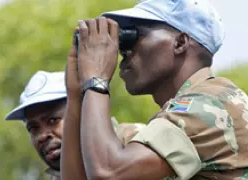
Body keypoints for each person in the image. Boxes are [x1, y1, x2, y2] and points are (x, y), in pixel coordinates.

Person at [61, 0, 248, 179]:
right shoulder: (178, 116)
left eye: (134, 36)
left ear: (180, 43)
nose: (123, 51)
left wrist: (96, 79)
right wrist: (76, 94)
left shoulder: (211, 105)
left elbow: (109, 171)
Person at [4, 70, 145, 180]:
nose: (42, 136)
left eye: (53, 121)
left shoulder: (134, 142)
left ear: (83, 111)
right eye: (33, 128)